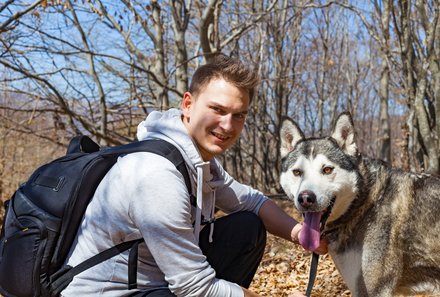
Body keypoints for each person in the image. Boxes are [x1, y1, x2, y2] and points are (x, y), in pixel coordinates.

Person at [61, 54, 327, 297]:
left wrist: (301, 233)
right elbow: (194, 286)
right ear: (188, 104)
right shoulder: (156, 175)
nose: (227, 125)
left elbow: (253, 202)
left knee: (246, 227)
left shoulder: (198, 162)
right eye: (218, 110)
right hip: (110, 293)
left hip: (154, 283)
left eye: (239, 115)